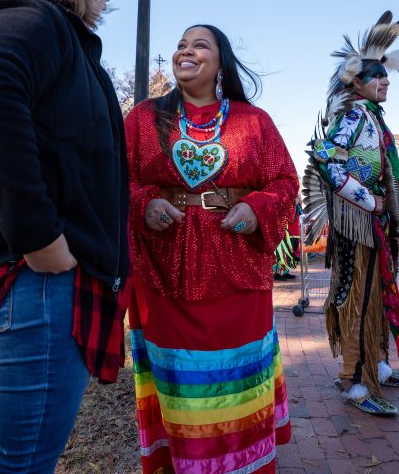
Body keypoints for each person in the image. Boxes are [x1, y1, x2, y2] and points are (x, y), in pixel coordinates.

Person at [0, 0, 129, 474]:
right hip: (42, 280)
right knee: (23, 461)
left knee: (12, 448)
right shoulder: (31, 19)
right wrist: (39, 237)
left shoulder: (64, 41)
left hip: (50, 283)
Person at [125, 24, 297, 473]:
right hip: (166, 273)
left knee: (236, 381)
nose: (186, 50)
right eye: (181, 44)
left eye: (200, 44)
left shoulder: (252, 121)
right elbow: (113, 177)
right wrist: (144, 203)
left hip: (237, 273)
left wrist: (257, 208)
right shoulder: (144, 119)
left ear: (221, 63)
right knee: (180, 384)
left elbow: (285, 181)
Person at [302, 11, 399, 417]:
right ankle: (355, 381)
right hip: (358, 225)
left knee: (382, 292)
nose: (385, 82)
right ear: (356, 81)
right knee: (360, 299)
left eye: (386, 76)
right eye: (377, 77)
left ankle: (379, 366)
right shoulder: (353, 117)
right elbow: (326, 159)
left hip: (375, 224)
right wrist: (371, 201)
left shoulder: (372, 117)